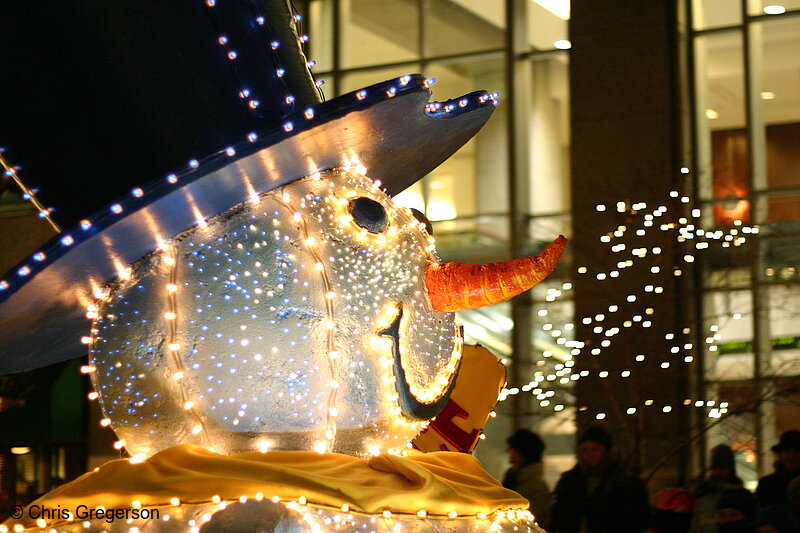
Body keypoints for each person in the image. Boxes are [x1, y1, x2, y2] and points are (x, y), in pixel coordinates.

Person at [550, 425, 651, 533]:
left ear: (607, 451)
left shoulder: (627, 482)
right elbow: (558, 518)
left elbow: (640, 520)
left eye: (595, 449)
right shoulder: (569, 481)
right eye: (585, 450)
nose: (590, 454)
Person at [502, 429, 553, 528]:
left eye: (513, 448)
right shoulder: (513, 477)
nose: (508, 451)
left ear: (523, 453)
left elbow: (537, 522)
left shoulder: (536, 485)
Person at [690, 444, 745, 533]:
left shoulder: (739, 493)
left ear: (730, 468)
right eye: (714, 467)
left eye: (723, 467)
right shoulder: (701, 491)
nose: (718, 471)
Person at [758, 430, 800, 508]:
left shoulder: (766, 483)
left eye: (795, 452)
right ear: (779, 454)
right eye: (786, 452)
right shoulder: (767, 484)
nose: (790, 456)